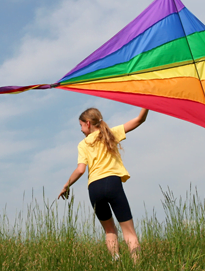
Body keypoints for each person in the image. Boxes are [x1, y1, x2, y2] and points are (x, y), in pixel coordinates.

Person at [58, 107, 149, 262]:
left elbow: (80, 170)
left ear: (87, 123)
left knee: (109, 231)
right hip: (112, 183)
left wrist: (66, 185)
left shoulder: (83, 144)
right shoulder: (110, 133)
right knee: (129, 232)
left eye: (81, 125)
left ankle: (116, 263)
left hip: (94, 188)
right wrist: (146, 104)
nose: (80, 129)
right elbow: (139, 120)